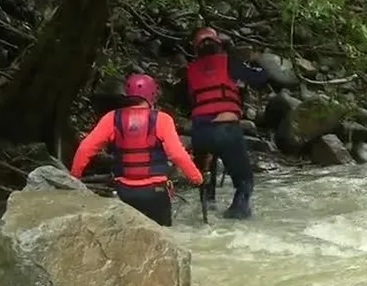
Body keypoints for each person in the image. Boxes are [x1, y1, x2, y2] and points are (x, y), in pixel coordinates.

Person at [70, 73, 204, 226]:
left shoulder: (112, 118)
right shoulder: (162, 119)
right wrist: (196, 178)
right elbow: (177, 154)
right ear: (152, 95)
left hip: (125, 193)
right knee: (162, 240)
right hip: (156, 193)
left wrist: (74, 178)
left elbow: (85, 149)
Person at [186, 26, 269, 219]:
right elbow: (261, 78)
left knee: (205, 179)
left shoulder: (190, 71)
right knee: (244, 182)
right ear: (219, 45)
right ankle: (237, 215)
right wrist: (257, 60)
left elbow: (192, 100)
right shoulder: (230, 63)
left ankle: (206, 210)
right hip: (226, 131)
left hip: (200, 133)